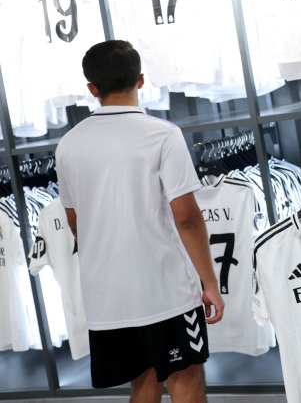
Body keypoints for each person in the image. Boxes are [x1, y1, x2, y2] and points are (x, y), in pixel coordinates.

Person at [56, 40, 223, 403]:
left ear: (92, 89)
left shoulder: (67, 145)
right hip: (164, 288)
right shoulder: (162, 134)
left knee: (143, 385)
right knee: (187, 380)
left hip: (105, 297)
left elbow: (75, 222)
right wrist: (209, 281)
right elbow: (187, 218)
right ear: (141, 80)